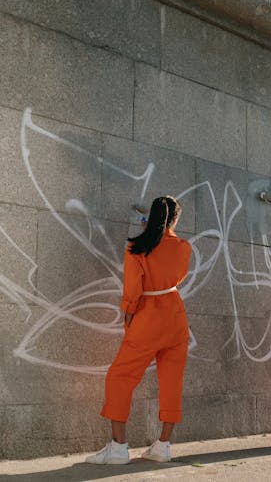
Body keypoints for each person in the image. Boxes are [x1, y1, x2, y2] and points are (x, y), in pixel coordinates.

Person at [86, 196, 192, 464]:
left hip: (147, 317)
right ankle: (163, 445)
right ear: (175, 219)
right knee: (172, 382)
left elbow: (133, 292)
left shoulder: (136, 247)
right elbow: (177, 278)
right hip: (176, 317)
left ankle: (118, 447)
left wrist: (129, 320)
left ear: (151, 216)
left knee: (119, 377)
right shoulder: (183, 247)